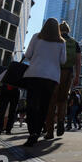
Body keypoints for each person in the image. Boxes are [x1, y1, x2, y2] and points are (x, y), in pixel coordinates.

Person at [22, 18, 66, 147]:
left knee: (31, 103)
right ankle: (38, 131)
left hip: (35, 74)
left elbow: (28, 54)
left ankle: (32, 132)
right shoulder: (61, 42)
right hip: (51, 78)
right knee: (44, 105)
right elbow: (63, 61)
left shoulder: (36, 37)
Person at [45, 21, 81, 139]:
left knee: (51, 101)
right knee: (63, 100)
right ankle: (61, 121)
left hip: (55, 71)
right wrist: (77, 76)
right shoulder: (75, 43)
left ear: (59, 30)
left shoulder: (56, 40)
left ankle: (50, 132)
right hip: (68, 73)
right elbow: (78, 61)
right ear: (68, 30)